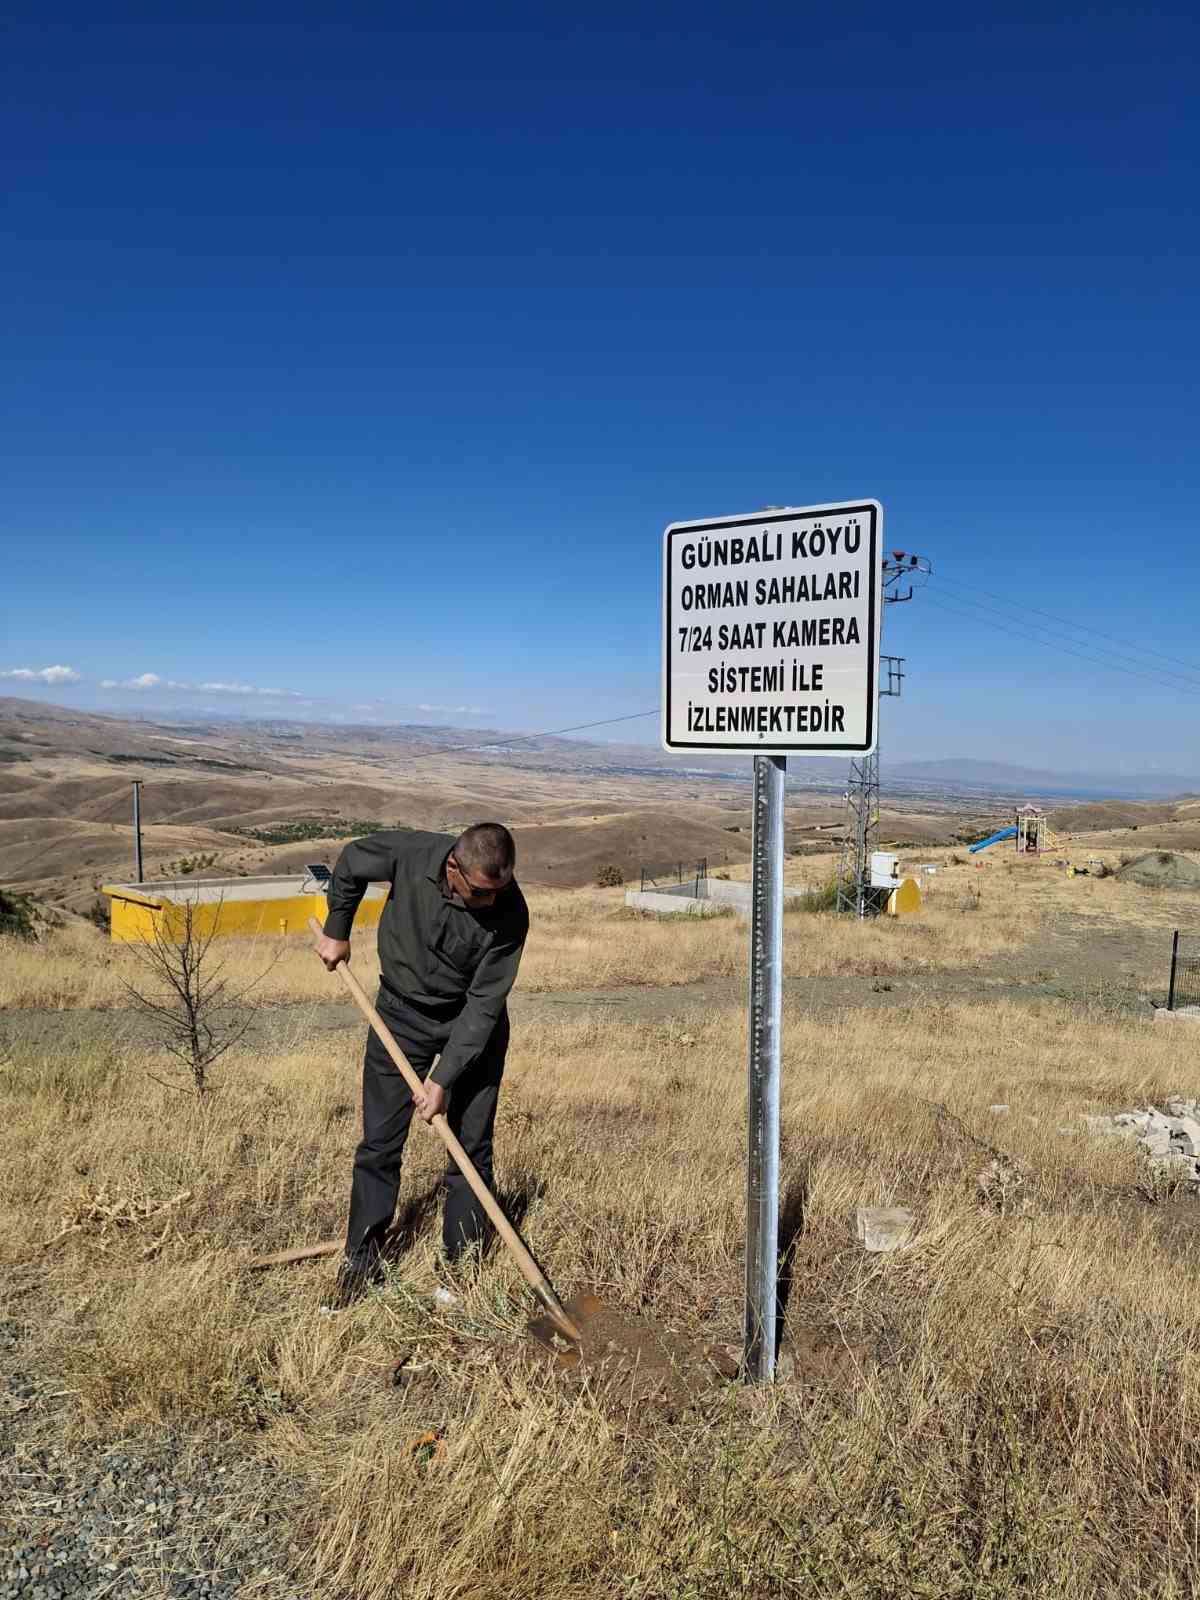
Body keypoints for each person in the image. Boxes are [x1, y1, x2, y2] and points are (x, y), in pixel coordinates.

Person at [314, 822, 528, 1307]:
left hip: (470, 1027)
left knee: (470, 1147)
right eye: (482, 892)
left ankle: (460, 1266)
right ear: (453, 868)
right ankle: (361, 1260)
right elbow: (352, 862)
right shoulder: (410, 853)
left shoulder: (511, 910)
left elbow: (484, 1005)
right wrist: (337, 929)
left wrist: (442, 1079)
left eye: (501, 889)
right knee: (379, 1144)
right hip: (399, 1015)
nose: (493, 902)